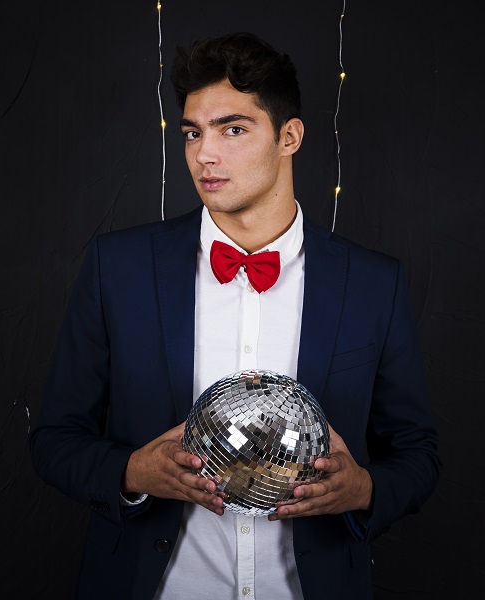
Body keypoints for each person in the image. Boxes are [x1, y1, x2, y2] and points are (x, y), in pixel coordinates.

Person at [31, 32, 440, 600]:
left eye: (233, 129)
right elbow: (53, 440)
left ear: (289, 136)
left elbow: (418, 453)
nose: (205, 154)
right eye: (193, 133)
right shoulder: (117, 267)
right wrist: (131, 473)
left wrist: (365, 488)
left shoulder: (373, 283)